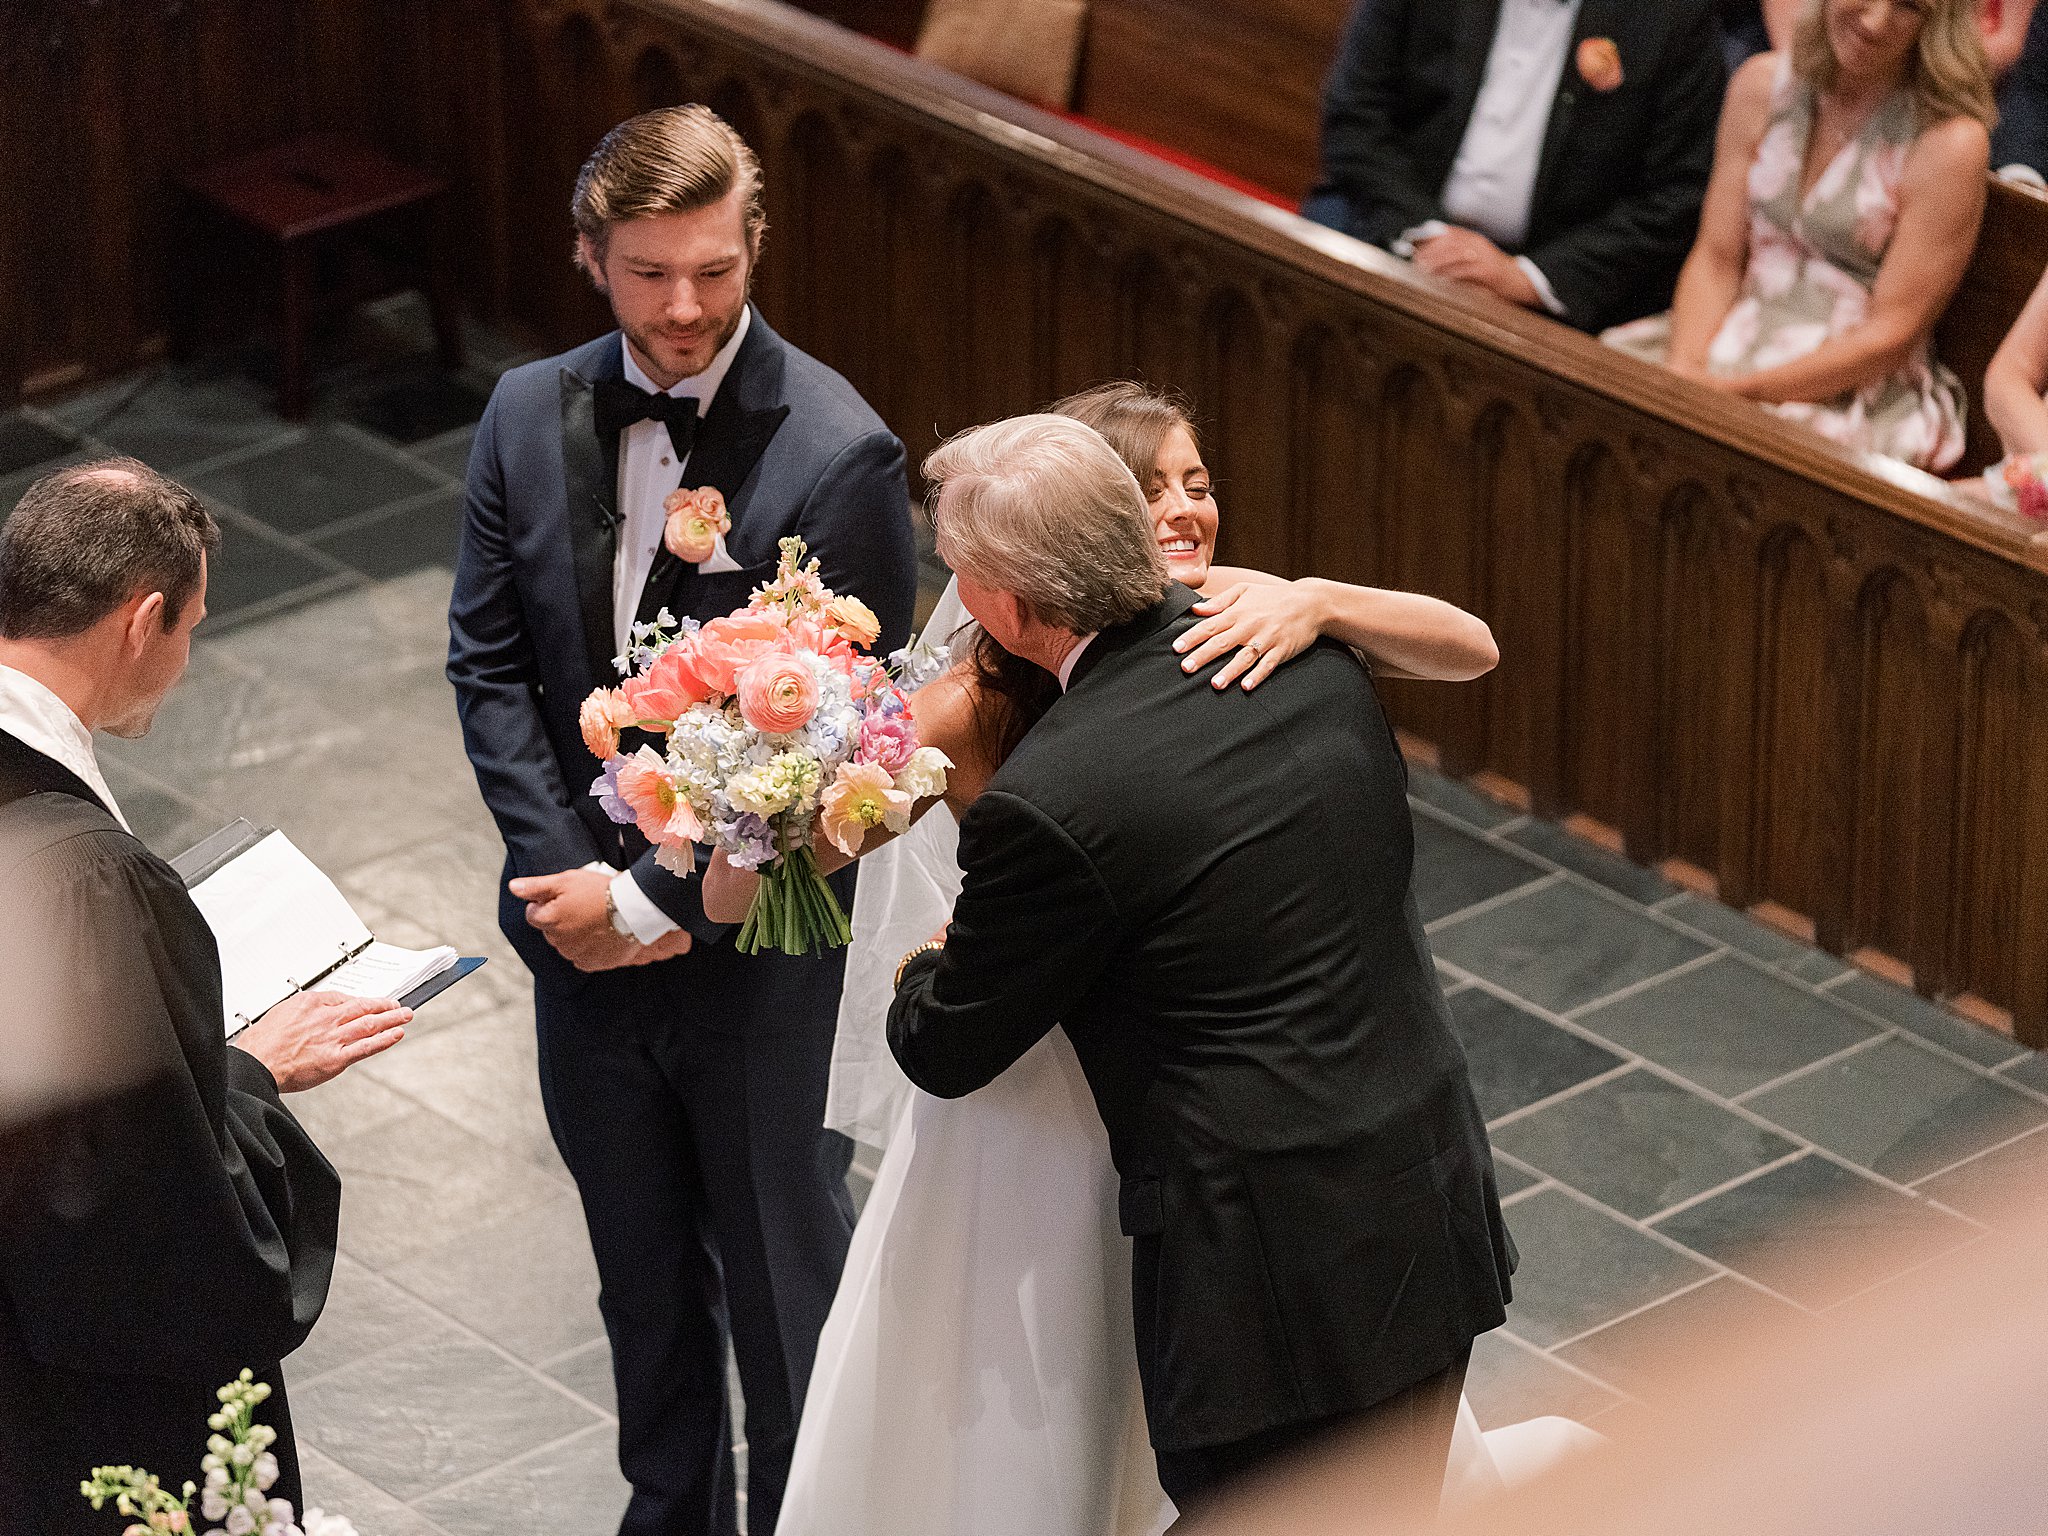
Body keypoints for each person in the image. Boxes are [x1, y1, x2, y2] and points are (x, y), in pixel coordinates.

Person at [759, 383, 1504, 1536]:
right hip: (1419, 1189)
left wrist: (927, 959)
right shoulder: (1313, 665)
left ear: (1005, 605)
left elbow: (946, 1045)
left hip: (1263, 1266)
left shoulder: (1057, 794)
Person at [445, 105, 916, 1536]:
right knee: (641, 1287)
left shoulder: (840, 453)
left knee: (781, 1294)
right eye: (649, 273)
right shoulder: (523, 411)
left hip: (757, 958)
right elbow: (491, 667)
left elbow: (840, 755)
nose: (685, 307)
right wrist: (570, 888)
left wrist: (654, 900)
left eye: (714, 268)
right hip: (577, 942)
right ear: (590, 257)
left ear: (755, 244)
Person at [0, 459, 410, 1532]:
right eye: (190, 629)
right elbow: (137, 1213)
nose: (185, 660)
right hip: (53, 1407)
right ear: (144, 622)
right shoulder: (86, 878)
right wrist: (252, 1078)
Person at [1604, 0, 1996, 473]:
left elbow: (1891, 334)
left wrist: (1733, 393)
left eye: (1908, 7)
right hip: (1730, 334)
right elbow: (1716, 257)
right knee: (1605, 388)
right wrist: (1684, 372)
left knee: (1762, 455)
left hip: (1851, 383)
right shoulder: (1761, 85)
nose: (1875, 21)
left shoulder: (1950, 142)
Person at [1301, 0, 1727, 333]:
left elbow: (1678, 193)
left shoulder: (1675, 15)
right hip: (1393, 222)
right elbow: (1356, 115)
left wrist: (1527, 278)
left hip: (1555, 275)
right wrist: (1429, 238)